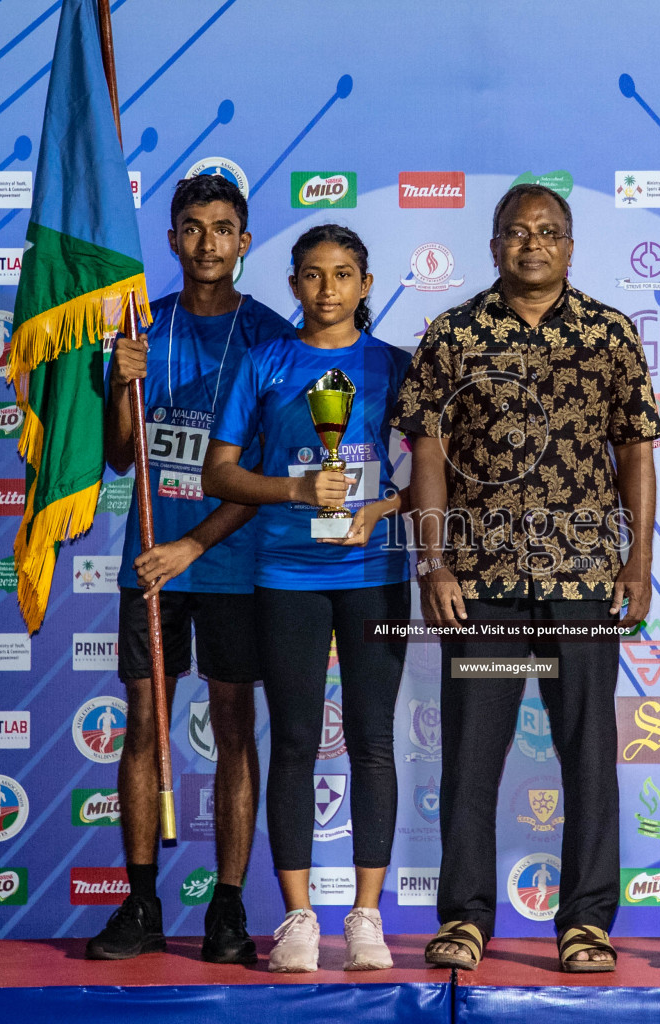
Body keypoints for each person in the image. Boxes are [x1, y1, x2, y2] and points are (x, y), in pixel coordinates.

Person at [392, 183, 660, 973]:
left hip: (582, 580)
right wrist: (433, 561)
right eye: (516, 232)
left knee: (588, 753)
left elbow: (636, 451)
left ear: (571, 247)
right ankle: (466, 918)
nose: (532, 244)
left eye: (548, 232)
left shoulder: (608, 334)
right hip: (483, 582)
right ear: (494, 245)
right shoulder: (454, 333)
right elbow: (429, 455)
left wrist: (639, 560)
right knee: (473, 754)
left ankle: (585, 923)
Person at [86, 173, 294, 964]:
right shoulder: (142, 330)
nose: (207, 242)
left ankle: (229, 912)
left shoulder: (272, 339)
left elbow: (266, 476)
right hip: (152, 566)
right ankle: (140, 904)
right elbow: (116, 455)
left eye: (223, 227)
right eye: (192, 227)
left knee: (235, 732)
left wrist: (194, 546)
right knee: (143, 727)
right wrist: (121, 385)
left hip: (233, 568)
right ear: (172, 239)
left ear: (244, 240)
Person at [202, 224, 412, 973]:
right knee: (291, 741)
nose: (328, 289)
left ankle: (365, 916)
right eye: (313, 275)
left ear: (366, 284)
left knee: (373, 742)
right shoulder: (266, 362)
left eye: (344, 274)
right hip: (286, 574)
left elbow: (431, 478)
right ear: (292, 284)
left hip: (373, 574)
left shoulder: (396, 368)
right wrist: (294, 488)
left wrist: (378, 510)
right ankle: (298, 917)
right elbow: (218, 474)